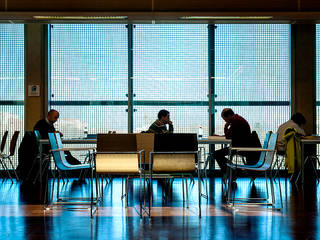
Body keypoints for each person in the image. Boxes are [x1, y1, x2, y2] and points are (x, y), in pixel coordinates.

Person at [214, 108, 253, 175]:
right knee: (218, 154)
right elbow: (232, 134)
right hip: (242, 146)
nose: (226, 121)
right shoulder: (237, 119)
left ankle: (232, 172)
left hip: (240, 148)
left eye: (225, 119)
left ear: (229, 115)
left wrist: (225, 127)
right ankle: (232, 170)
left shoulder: (235, 121)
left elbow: (228, 136)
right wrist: (222, 135)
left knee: (216, 154)